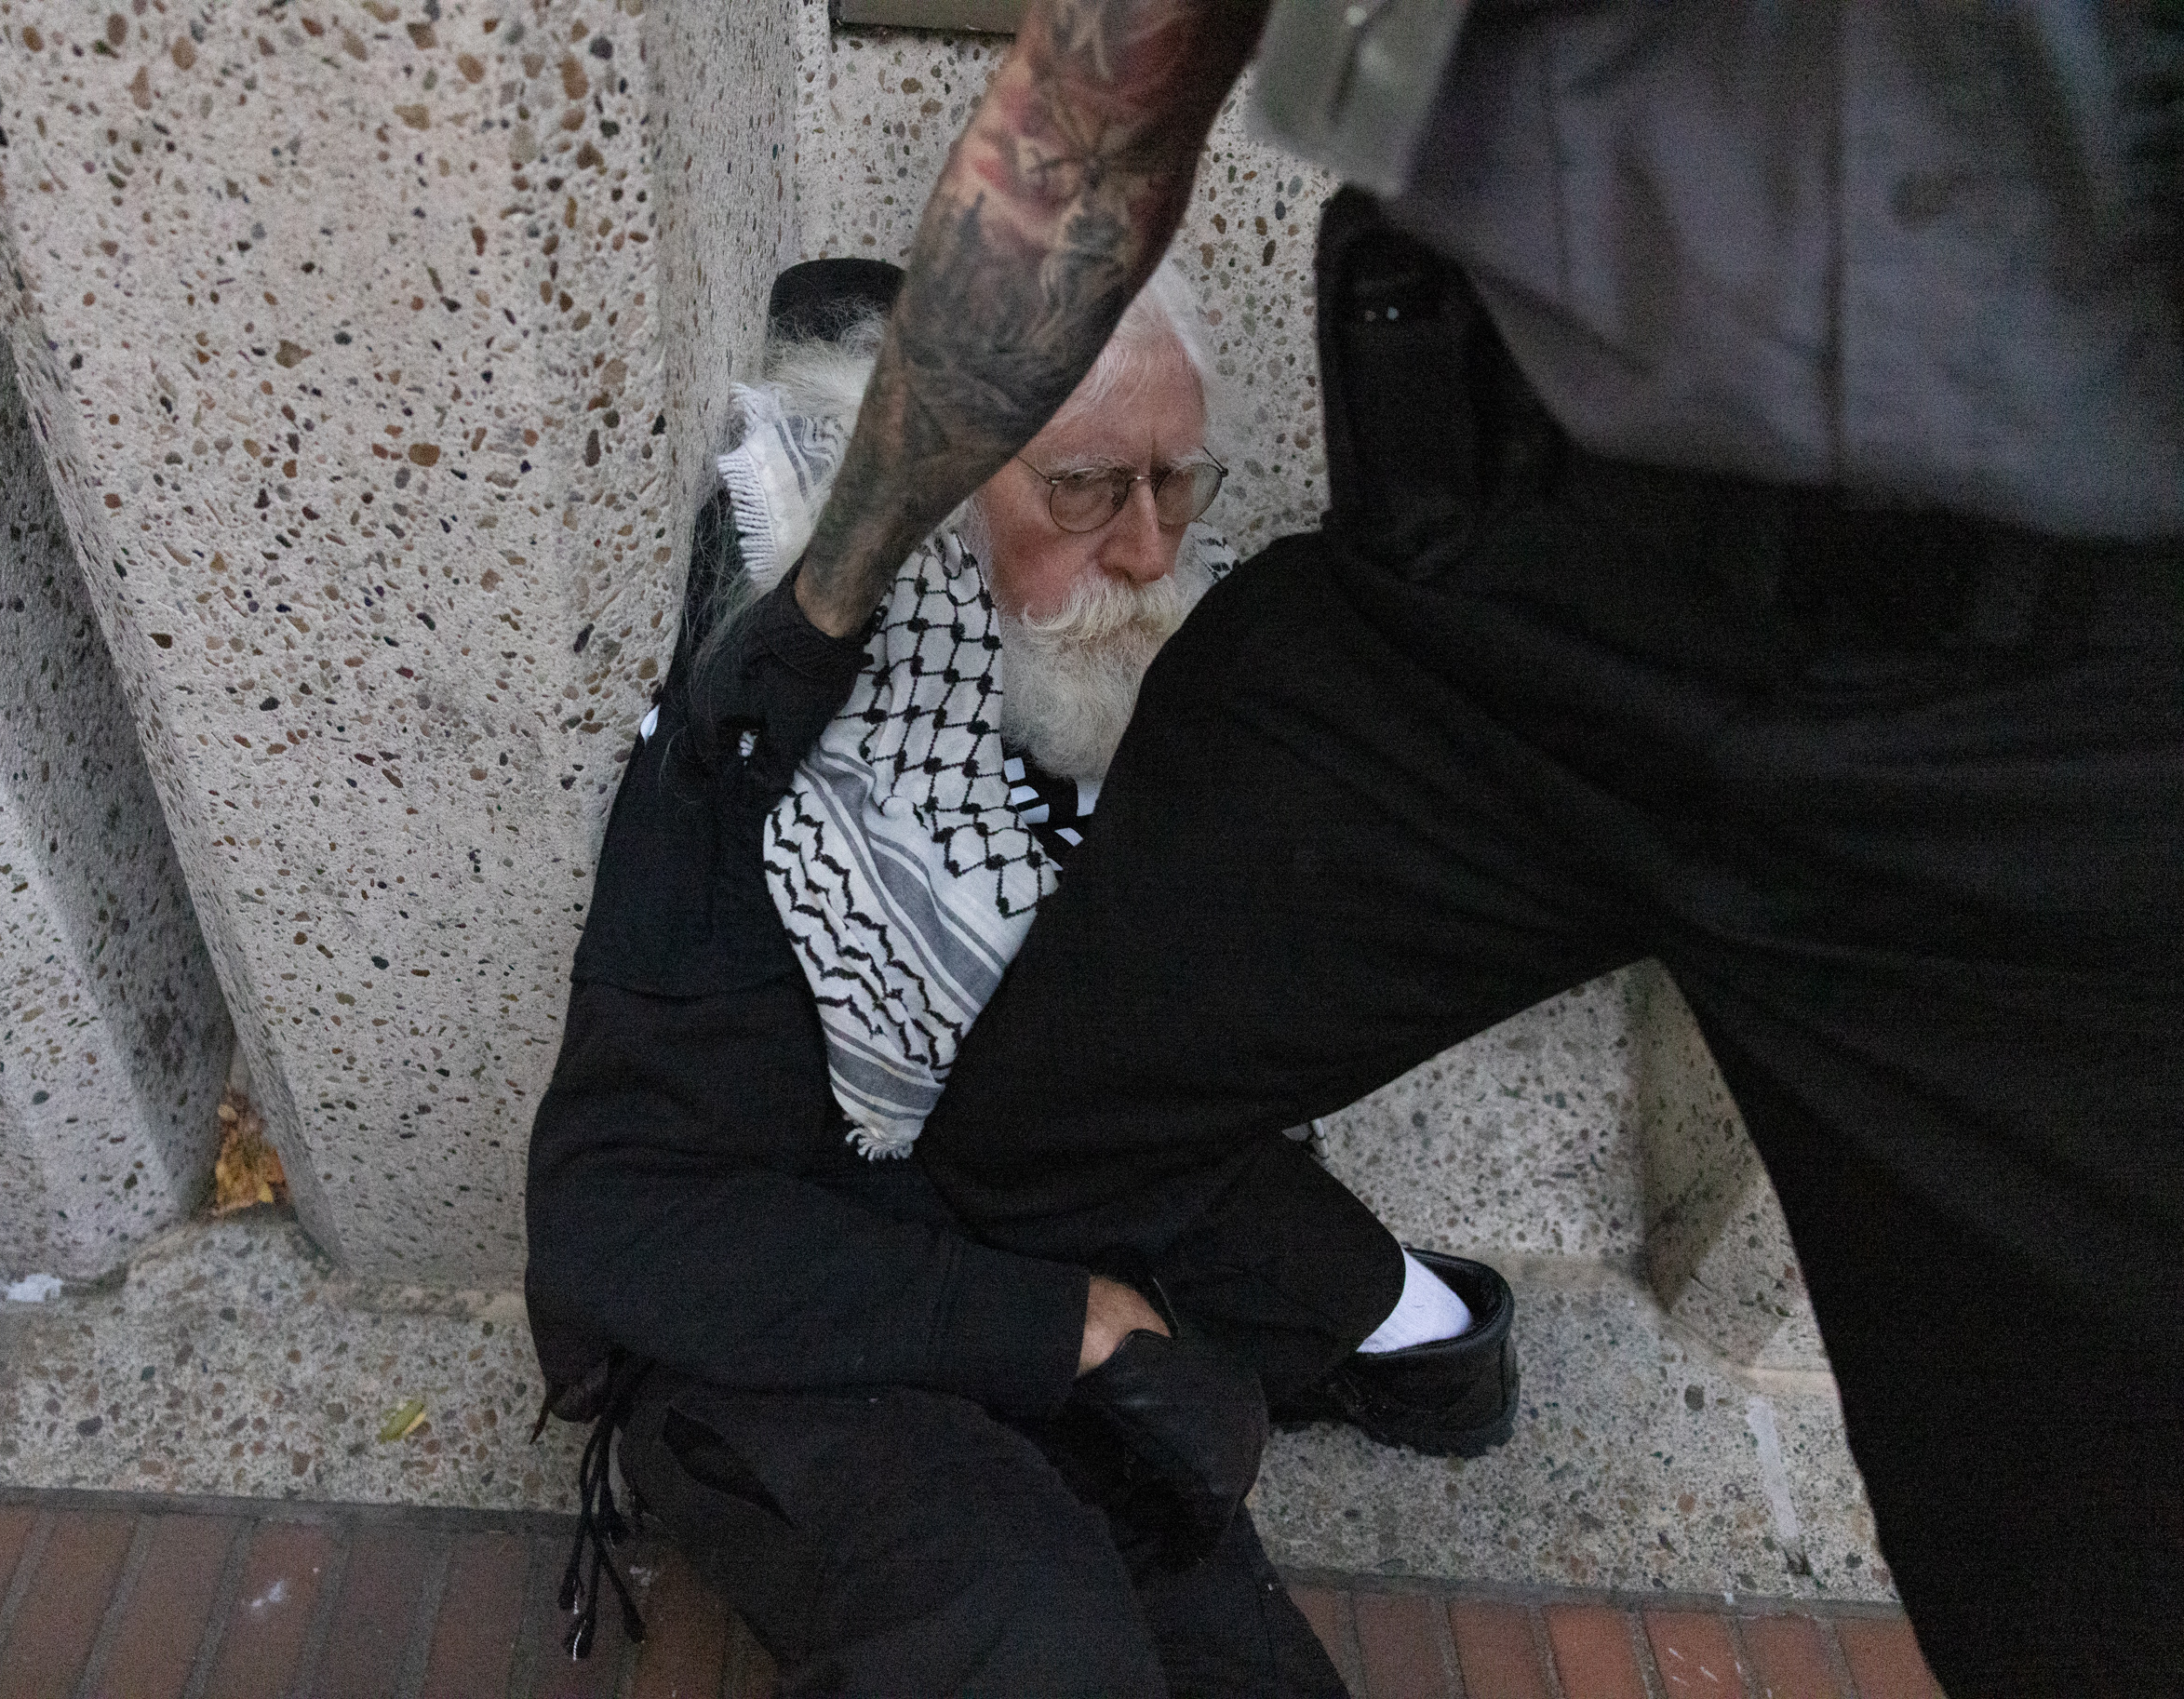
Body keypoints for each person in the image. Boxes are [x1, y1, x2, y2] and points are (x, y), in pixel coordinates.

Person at [784, 7, 2184, 1697]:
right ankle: (1207, 1471)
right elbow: (1095, 102)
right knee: (1022, 1130)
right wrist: (817, 604)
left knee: (2099, 1597)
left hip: (2051, 729)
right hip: (1497, 588)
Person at [523, 258, 1515, 1695]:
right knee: (1022, 1630)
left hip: (1040, 1299)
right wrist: (1063, 1325)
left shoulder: (1114, 699)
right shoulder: (756, 774)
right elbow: (617, 1220)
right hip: (786, 1343)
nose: (1147, 550)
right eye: (1086, 487)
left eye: (1176, 484)